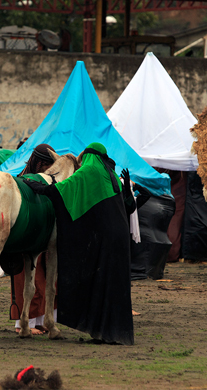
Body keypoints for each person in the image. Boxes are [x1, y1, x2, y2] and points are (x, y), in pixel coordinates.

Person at [24, 142, 135, 345]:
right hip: (120, 241)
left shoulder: (90, 171)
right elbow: (130, 207)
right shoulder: (112, 177)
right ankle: (116, 333)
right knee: (115, 286)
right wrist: (127, 190)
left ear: (89, 157)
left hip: (104, 241)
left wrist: (37, 186)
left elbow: (62, 191)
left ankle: (103, 332)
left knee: (100, 284)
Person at [10, 143, 58, 335]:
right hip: (25, 240)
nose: (48, 169)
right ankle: (24, 324)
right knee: (28, 281)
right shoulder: (21, 182)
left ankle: (41, 322)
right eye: (46, 164)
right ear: (38, 163)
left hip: (43, 238)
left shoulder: (49, 182)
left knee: (46, 282)